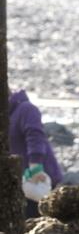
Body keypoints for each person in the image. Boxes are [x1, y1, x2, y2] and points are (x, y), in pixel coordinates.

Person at [8, 89, 64, 218]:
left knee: (38, 217)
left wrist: (36, 165)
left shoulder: (26, 109)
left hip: (40, 176)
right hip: (22, 180)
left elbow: (35, 136)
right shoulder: (6, 116)